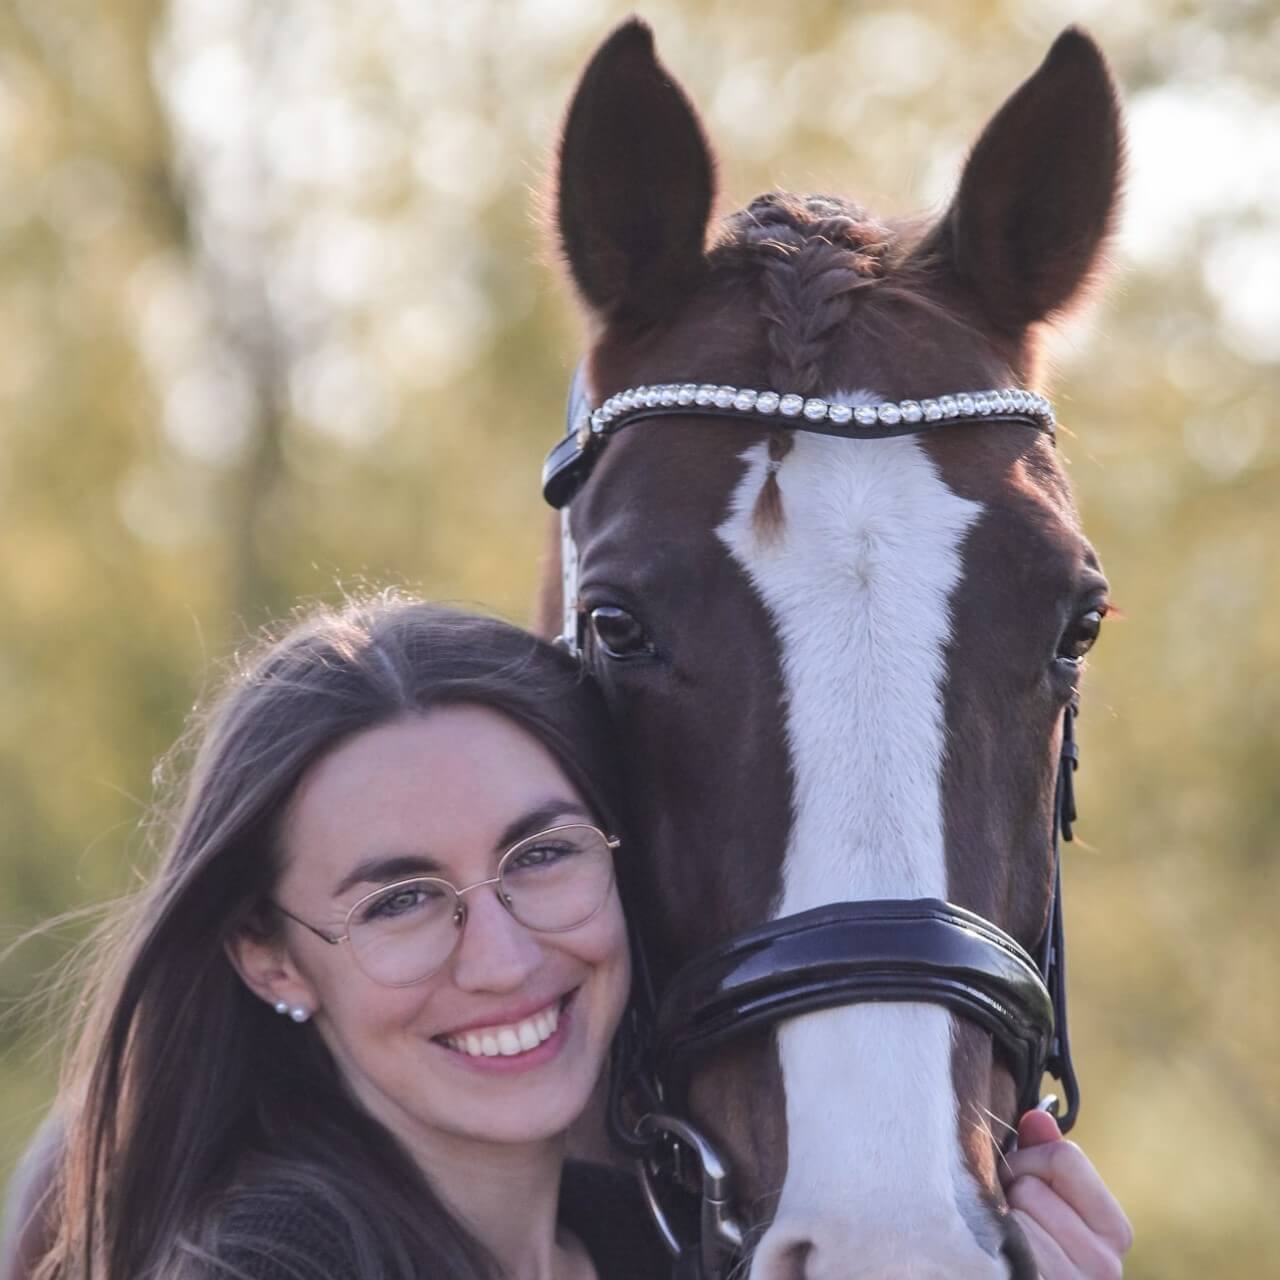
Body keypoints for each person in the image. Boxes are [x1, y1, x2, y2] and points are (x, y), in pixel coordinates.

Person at [10, 592, 1131, 1279]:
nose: (501, 958)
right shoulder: (259, 1267)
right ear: (270, 956)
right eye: (399, 900)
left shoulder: (666, 1242)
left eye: (541, 855)